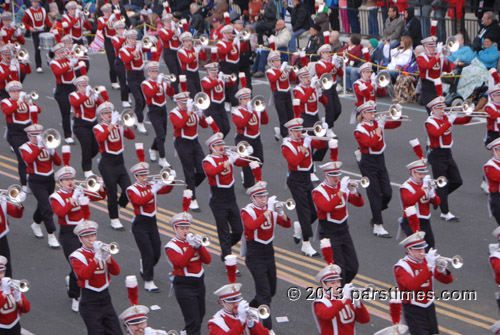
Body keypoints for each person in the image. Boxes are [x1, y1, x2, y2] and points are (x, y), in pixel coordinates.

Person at [50, 146, 107, 312]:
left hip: (85, 232)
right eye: (66, 179)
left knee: (88, 261)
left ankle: (74, 283)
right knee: (77, 264)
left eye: (72, 178)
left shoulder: (78, 190)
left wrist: (101, 185)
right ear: (60, 182)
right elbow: (60, 213)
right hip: (68, 233)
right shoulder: (56, 196)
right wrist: (73, 198)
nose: (71, 182)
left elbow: (100, 196)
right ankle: (75, 296)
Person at [241, 181, 291, 330]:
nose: (264, 199)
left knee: (271, 291)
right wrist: (268, 211)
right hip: (255, 254)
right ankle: (268, 329)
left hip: (269, 252)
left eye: (265, 196)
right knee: (264, 294)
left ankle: (249, 308)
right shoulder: (247, 211)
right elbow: (251, 226)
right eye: (260, 197)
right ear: (253, 198)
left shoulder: (270, 210)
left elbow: (287, 224)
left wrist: (281, 212)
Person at [203, 132, 260, 262]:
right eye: (217, 145)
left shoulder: (228, 155)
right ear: (212, 147)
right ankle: (228, 259)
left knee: (238, 230)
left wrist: (248, 153)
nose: (221, 147)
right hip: (218, 199)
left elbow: (243, 163)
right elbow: (212, 172)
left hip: (231, 198)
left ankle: (225, 250)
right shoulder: (208, 160)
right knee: (223, 232)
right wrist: (230, 160)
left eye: (222, 144)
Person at [127, 143, 174, 292]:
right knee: (147, 252)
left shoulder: (150, 185)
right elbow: (139, 201)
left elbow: (166, 190)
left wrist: (170, 180)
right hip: (140, 223)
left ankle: (145, 266)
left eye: (145, 175)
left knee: (156, 252)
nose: (144, 178)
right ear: (136, 176)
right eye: (141, 175)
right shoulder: (132, 189)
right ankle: (148, 281)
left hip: (152, 222)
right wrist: (153, 189)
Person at [354, 101, 402, 238]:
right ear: (363, 114)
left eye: (373, 111)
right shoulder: (359, 129)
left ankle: (376, 213)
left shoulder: (377, 123)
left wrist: (397, 112)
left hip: (380, 159)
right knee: (374, 193)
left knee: (387, 192)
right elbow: (371, 143)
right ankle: (377, 225)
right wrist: (380, 126)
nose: (373, 114)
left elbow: (395, 124)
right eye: (370, 112)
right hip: (368, 162)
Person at [312, 160, 364, 285]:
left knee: (353, 266)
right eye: (333, 175)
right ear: (326, 175)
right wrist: (341, 191)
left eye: (337, 175)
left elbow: (359, 204)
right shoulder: (318, 191)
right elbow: (326, 207)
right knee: (339, 268)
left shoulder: (342, 188)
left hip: (344, 230)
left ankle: (341, 290)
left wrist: (353, 191)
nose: (336, 178)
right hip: (329, 232)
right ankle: (339, 296)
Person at [281, 118, 327, 257]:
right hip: (296, 179)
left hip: (307, 178)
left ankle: (300, 226)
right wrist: (305, 146)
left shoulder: (304, 140)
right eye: (295, 131)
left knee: (314, 212)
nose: (299, 133)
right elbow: (294, 161)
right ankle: (306, 244)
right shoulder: (286, 144)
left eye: (300, 130)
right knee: (304, 211)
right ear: (290, 131)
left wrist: (322, 132)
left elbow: (320, 145)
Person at [394, 231, 453, 335]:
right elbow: (411, 285)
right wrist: (429, 267)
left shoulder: (427, 261)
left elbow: (448, 280)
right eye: (418, 249)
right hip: (414, 309)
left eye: (423, 248)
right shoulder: (401, 267)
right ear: (408, 250)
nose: (422, 251)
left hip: (429, 306)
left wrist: (443, 270)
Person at [69, 220, 122, 334]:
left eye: (92, 235)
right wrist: (97, 258)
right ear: (80, 239)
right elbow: (84, 275)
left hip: (106, 298)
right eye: (86, 237)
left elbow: (116, 272)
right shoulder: (76, 256)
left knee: (116, 332)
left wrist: (108, 258)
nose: (91, 239)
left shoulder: (101, 251)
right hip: (90, 301)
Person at [165, 209, 212, 335]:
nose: (185, 231)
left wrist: (200, 247)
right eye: (182, 228)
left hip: (199, 283)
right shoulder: (171, 246)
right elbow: (180, 264)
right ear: (175, 229)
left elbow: (207, 260)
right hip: (184, 285)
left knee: (201, 314)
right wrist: (191, 248)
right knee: (194, 322)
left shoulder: (194, 241)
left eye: (187, 227)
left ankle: (186, 332)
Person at [170, 91, 218, 212]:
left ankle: (189, 188)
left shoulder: (193, 110)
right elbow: (179, 125)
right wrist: (188, 112)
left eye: (186, 102)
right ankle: (192, 198)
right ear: (177, 102)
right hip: (182, 143)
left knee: (203, 170)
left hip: (194, 142)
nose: (185, 104)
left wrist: (201, 114)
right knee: (189, 172)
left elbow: (204, 126)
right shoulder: (174, 113)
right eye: (183, 102)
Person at [425, 96, 471, 221]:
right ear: (433, 110)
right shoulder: (430, 121)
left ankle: (437, 197)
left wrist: (469, 112)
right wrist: (449, 120)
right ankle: (445, 212)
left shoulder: (446, 118)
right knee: (442, 184)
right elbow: (436, 133)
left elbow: (463, 121)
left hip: (447, 154)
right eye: (440, 108)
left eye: (443, 107)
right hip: (437, 155)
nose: (443, 109)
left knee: (457, 181)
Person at [93, 102, 135, 230]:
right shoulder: (98, 127)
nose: (109, 115)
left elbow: (132, 137)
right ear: (101, 116)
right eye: (106, 113)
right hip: (107, 163)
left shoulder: (117, 125)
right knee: (112, 192)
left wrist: (124, 126)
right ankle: (114, 218)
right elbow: (101, 138)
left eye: (110, 112)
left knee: (128, 189)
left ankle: (119, 206)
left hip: (119, 162)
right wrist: (112, 125)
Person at [19, 123, 62, 249]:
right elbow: (28, 160)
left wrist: (52, 152)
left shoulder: (48, 145)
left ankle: (36, 223)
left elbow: (58, 163)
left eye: (39, 135)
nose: (36, 137)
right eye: (33, 135)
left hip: (49, 179)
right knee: (47, 208)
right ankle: (51, 234)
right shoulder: (25, 147)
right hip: (36, 181)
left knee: (44, 204)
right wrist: (38, 147)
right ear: (28, 136)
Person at [1, 80, 38, 191]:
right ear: (9, 93)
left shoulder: (24, 101)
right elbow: (7, 111)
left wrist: (30, 103)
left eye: (18, 91)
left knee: (32, 158)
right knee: (22, 158)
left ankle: (31, 180)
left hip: (28, 133)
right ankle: (24, 184)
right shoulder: (6, 101)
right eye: (14, 92)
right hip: (15, 134)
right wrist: (18, 102)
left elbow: (38, 110)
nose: (16, 94)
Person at [312, 264, 370, 334]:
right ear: (324, 286)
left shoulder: (348, 299)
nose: (337, 285)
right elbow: (328, 315)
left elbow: (365, 320)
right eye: (332, 283)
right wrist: (344, 298)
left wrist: (358, 304)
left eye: (338, 282)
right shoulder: (321, 302)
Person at [69, 75, 109, 177]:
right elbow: (75, 104)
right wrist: (86, 95)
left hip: (93, 123)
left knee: (96, 146)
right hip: (81, 124)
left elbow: (102, 107)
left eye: (86, 85)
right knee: (86, 145)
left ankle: (85, 159)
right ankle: (87, 169)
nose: (85, 87)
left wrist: (97, 98)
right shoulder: (73, 95)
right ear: (77, 86)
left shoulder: (90, 95)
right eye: (82, 85)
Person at [231, 86, 268, 188]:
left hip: (256, 137)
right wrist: (250, 112)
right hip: (244, 138)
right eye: (245, 99)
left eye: (249, 98)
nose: (248, 100)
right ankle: (249, 184)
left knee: (259, 161)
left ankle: (249, 176)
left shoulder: (255, 109)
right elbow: (241, 124)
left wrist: (262, 109)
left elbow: (265, 121)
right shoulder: (237, 111)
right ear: (240, 100)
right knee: (247, 162)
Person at [399, 156, 440, 249]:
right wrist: (422, 189)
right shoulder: (406, 187)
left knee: (430, 247)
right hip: (412, 220)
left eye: (423, 174)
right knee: (416, 248)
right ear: (412, 173)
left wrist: (432, 194)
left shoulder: (425, 184)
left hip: (425, 220)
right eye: (419, 174)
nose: (422, 177)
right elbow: (409, 201)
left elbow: (437, 203)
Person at [50, 42, 86, 144]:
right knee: (65, 113)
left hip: (72, 86)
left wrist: (79, 62)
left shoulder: (68, 59)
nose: (63, 53)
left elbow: (75, 71)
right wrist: (71, 63)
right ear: (56, 53)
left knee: (78, 109)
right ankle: (68, 135)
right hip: (62, 89)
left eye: (63, 51)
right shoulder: (54, 63)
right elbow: (58, 72)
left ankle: (77, 129)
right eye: (61, 52)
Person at [141, 61, 174, 168]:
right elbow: (150, 95)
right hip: (153, 111)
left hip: (163, 110)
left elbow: (170, 94)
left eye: (156, 71)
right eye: (152, 71)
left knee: (163, 135)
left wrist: (169, 84)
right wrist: (158, 83)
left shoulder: (161, 82)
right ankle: (162, 159)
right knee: (160, 135)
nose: (155, 73)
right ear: (148, 72)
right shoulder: (145, 84)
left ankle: (152, 149)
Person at [119, 29, 151, 134]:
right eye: (131, 38)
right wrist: (136, 50)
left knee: (144, 100)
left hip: (141, 75)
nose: (134, 40)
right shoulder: (123, 50)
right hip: (132, 76)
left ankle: (136, 117)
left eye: (134, 38)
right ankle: (140, 122)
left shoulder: (138, 47)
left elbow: (149, 47)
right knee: (139, 99)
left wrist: (150, 40)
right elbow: (127, 60)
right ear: (127, 39)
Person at [417, 36, 451, 114]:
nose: (433, 48)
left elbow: (448, 70)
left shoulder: (438, 56)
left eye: (434, 45)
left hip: (438, 87)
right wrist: (438, 55)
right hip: (427, 88)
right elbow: (428, 66)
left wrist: (446, 58)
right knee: (433, 113)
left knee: (441, 113)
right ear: (425, 47)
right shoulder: (421, 57)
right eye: (430, 46)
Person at [265, 50, 295, 140]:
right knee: (283, 116)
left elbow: (293, 79)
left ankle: (281, 131)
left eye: (279, 60)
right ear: (272, 62)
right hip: (279, 95)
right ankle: (285, 135)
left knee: (290, 115)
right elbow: (273, 80)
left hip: (287, 94)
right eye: (276, 60)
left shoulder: (283, 69)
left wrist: (291, 71)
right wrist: (281, 69)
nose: (279, 62)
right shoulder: (270, 71)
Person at [201, 61, 235, 138]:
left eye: (216, 71)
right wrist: (219, 80)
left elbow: (231, 84)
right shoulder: (205, 80)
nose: (215, 73)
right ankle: (215, 146)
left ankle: (218, 143)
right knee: (218, 129)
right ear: (208, 71)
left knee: (226, 128)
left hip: (221, 107)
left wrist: (230, 79)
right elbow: (208, 87)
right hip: (212, 108)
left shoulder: (219, 78)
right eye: (212, 71)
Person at [315, 42, 343, 129]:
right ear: (321, 54)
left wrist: (338, 66)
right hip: (325, 89)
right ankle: (329, 128)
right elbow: (324, 72)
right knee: (330, 109)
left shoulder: (332, 63)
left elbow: (341, 74)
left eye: (329, 52)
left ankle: (327, 122)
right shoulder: (319, 64)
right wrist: (333, 63)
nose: (328, 54)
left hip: (333, 87)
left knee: (338, 109)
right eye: (326, 52)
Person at [0, 256, 30, 335]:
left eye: (1, 273)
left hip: (14, 325)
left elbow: (26, 309)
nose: (0, 276)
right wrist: (4, 293)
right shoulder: (6, 289)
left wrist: (18, 298)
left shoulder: (10, 286)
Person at [22, 0, 52, 72]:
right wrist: (29, 28)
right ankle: (38, 66)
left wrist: (53, 25)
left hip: (43, 30)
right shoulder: (28, 12)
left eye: (37, 2)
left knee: (52, 46)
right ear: (31, 2)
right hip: (35, 32)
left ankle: (49, 56)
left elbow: (47, 21)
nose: (36, 3)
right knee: (37, 49)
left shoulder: (43, 10)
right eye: (34, 2)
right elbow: (24, 22)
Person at [96, 3, 120, 89]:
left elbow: (121, 24)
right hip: (108, 41)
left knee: (120, 61)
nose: (108, 12)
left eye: (109, 10)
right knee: (112, 61)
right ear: (103, 12)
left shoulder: (114, 17)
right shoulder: (101, 19)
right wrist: (107, 21)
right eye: (106, 11)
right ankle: (114, 81)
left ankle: (121, 79)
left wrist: (117, 16)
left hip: (117, 40)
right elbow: (99, 27)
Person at [177, 31, 207, 98]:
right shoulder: (181, 51)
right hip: (187, 74)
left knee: (199, 91)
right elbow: (187, 61)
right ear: (183, 42)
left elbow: (204, 59)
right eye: (186, 41)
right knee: (192, 93)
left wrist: (203, 49)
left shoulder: (195, 49)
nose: (189, 43)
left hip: (195, 73)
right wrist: (195, 54)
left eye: (190, 41)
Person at [158, 14, 181, 94]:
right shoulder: (162, 31)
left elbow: (180, 40)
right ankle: (176, 93)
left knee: (180, 73)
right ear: (164, 22)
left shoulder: (174, 30)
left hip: (176, 53)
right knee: (174, 73)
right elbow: (166, 38)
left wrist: (178, 32)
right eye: (167, 21)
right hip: (168, 53)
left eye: (170, 21)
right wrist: (173, 30)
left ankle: (170, 86)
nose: (169, 23)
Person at [111, 21, 131, 108]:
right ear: (116, 30)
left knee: (130, 80)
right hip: (119, 61)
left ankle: (128, 94)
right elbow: (117, 46)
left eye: (122, 28)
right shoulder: (114, 37)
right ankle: (124, 100)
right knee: (123, 80)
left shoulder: (128, 37)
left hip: (129, 60)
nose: (121, 30)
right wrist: (124, 37)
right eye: (119, 29)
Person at [484, 138, 500, 226]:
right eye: (499, 151)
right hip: (497, 198)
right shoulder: (490, 166)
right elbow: (498, 177)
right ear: (493, 152)